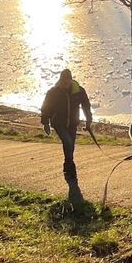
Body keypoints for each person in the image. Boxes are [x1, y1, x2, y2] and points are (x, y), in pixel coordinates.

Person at [40, 68, 93, 203]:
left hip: (72, 124)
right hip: (59, 123)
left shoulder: (79, 91)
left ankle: (68, 164)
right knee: (68, 142)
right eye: (63, 81)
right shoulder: (53, 92)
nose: (65, 83)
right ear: (60, 79)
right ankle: (70, 166)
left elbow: (86, 106)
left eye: (68, 81)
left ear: (71, 80)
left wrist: (88, 121)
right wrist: (45, 123)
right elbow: (46, 107)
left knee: (71, 146)